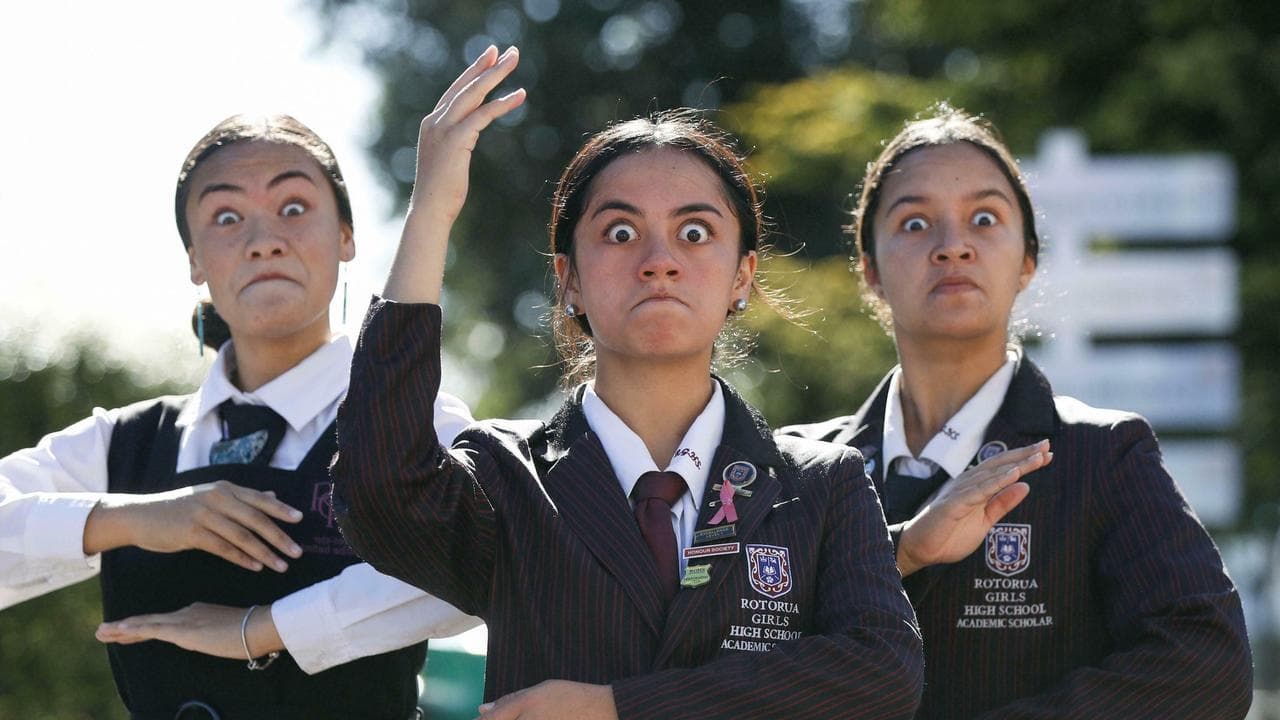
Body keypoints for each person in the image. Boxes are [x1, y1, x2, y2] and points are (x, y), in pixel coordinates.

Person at [331, 46, 923, 720]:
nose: (659, 261)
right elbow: (376, 491)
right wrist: (430, 214)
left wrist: (619, 707)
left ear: (742, 276)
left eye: (695, 232)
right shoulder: (505, 481)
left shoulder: (822, 485)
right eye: (619, 232)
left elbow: (882, 675)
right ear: (570, 279)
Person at [0, 114, 482, 719]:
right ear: (195, 260)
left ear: (347, 238)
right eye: (226, 218)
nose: (264, 240)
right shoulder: (126, 445)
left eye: (294, 207)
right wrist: (127, 519)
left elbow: (479, 561)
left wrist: (265, 628)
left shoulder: (413, 421)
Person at [783, 105, 1253, 719]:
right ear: (869, 268)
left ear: (1027, 259)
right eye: (915, 223)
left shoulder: (1104, 453)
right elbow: (734, 642)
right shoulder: (798, 467)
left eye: (984, 218)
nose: (953, 247)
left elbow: (1206, 664)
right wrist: (903, 551)